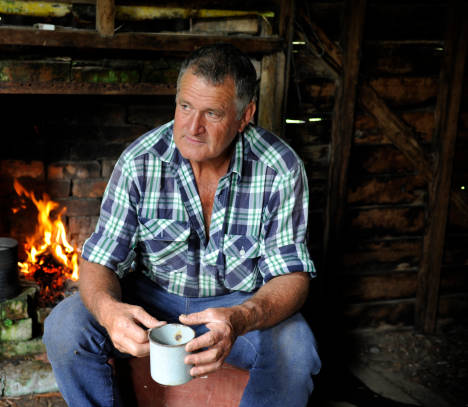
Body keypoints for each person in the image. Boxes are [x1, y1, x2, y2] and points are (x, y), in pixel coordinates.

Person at [43, 43, 321, 407]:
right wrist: (110, 312)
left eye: (213, 113)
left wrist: (241, 317)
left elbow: (292, 276)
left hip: (236, 309)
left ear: (244, 115)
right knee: (65, 327)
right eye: (185, 107)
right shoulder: (140, 161)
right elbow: (100, 260)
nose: (193, 127)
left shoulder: (280, 168)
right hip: (151, 304)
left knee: (297, 348)